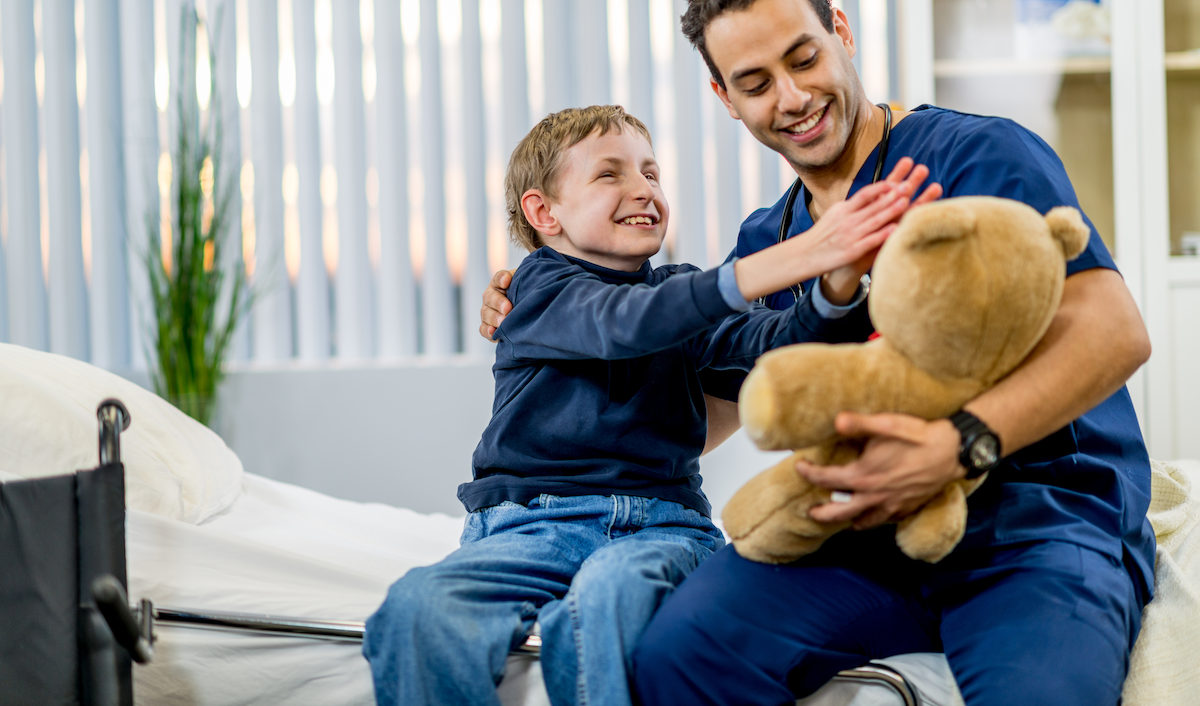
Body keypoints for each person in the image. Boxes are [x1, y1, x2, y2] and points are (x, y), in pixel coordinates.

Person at [478, 0, 1154, 706]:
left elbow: (1115, 332)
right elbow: (698, 418)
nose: (794, 97)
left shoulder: (974, 154)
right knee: (677, 656)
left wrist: (956, 442)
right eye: (757, 83)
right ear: (725, 97)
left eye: (804, 58)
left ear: (841, 32)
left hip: (1037, 525)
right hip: (861, 538)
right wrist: (551, 315)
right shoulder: (769, 244)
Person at [364, 104, 934, 706]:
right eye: (610, 174)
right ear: (543, 212)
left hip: (662, 526)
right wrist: (785, 261)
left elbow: (775, 341)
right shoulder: (534, 292)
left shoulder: (677, 291)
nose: (643, 189)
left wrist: (838, 281)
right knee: (417, 608)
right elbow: (622, 324)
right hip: (530, 525)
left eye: (652, 173)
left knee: (612, 593)